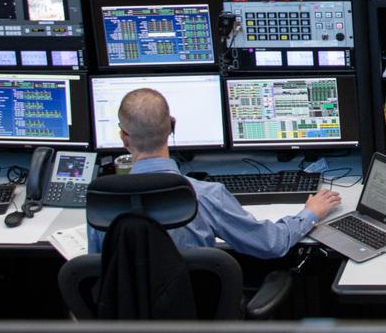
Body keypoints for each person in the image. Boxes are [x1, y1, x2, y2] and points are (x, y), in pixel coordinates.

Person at [89, 88, 339, 259]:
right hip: (195, 322)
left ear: (123, 137)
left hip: (122, 331)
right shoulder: (204, 195)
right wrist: (310, 213)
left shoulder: (103, 203)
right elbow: (271, 244)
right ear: (172, 128)